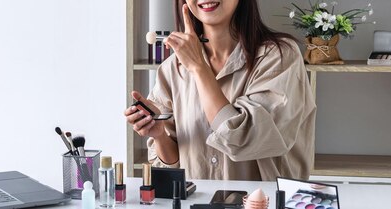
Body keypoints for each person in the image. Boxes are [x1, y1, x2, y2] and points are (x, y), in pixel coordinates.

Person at [124, 0, 316, 181]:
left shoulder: (280, 57)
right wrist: (159, 135)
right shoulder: (170, 70)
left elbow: (245, 139)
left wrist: (199, 68)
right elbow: (173, 170)